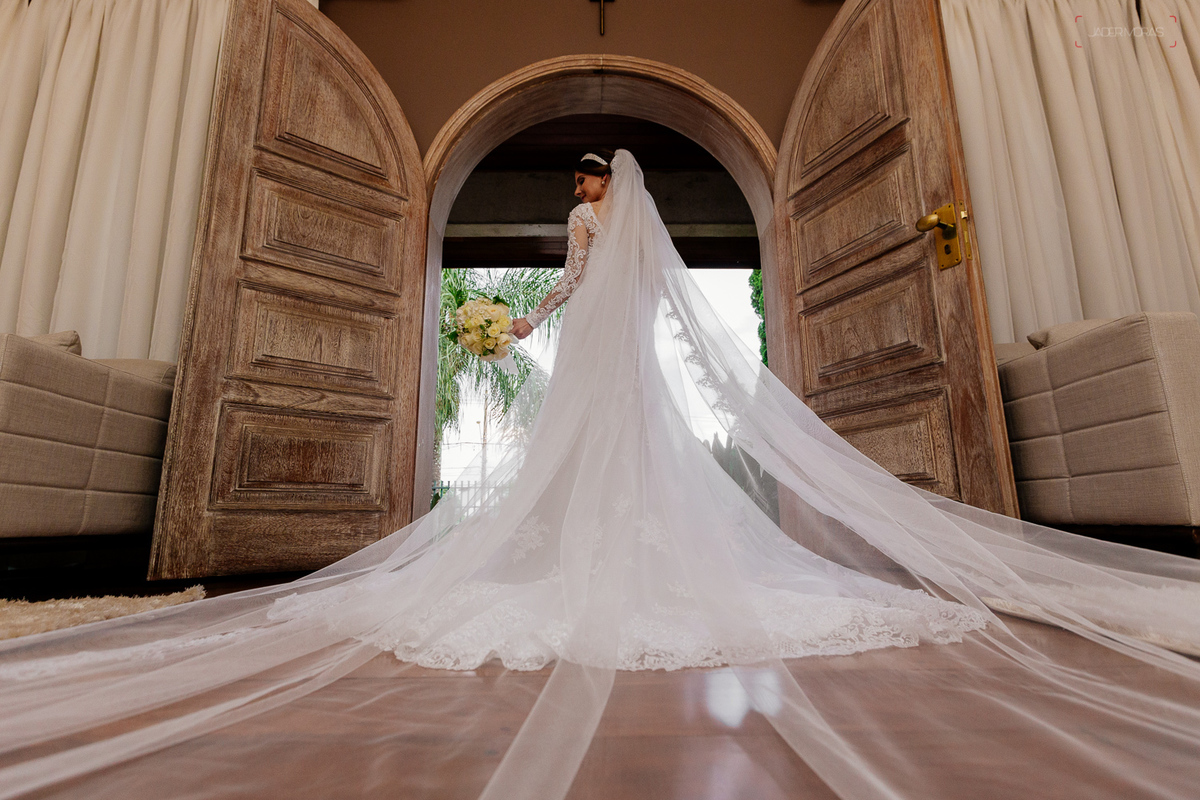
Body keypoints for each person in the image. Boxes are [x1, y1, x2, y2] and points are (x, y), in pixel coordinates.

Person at [2, 149, 1200, 800]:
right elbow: (620, 299)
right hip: (615, 359)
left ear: (594, 190)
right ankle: (610, 558)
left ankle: (593, 563)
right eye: (580, 183)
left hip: (589, 349)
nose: (579, 192)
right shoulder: (632, 233)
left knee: (584, 462)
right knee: (620, 458)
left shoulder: (588, 234)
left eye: (582, 180)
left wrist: (521, 324)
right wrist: (539, 326)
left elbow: (578, 286)